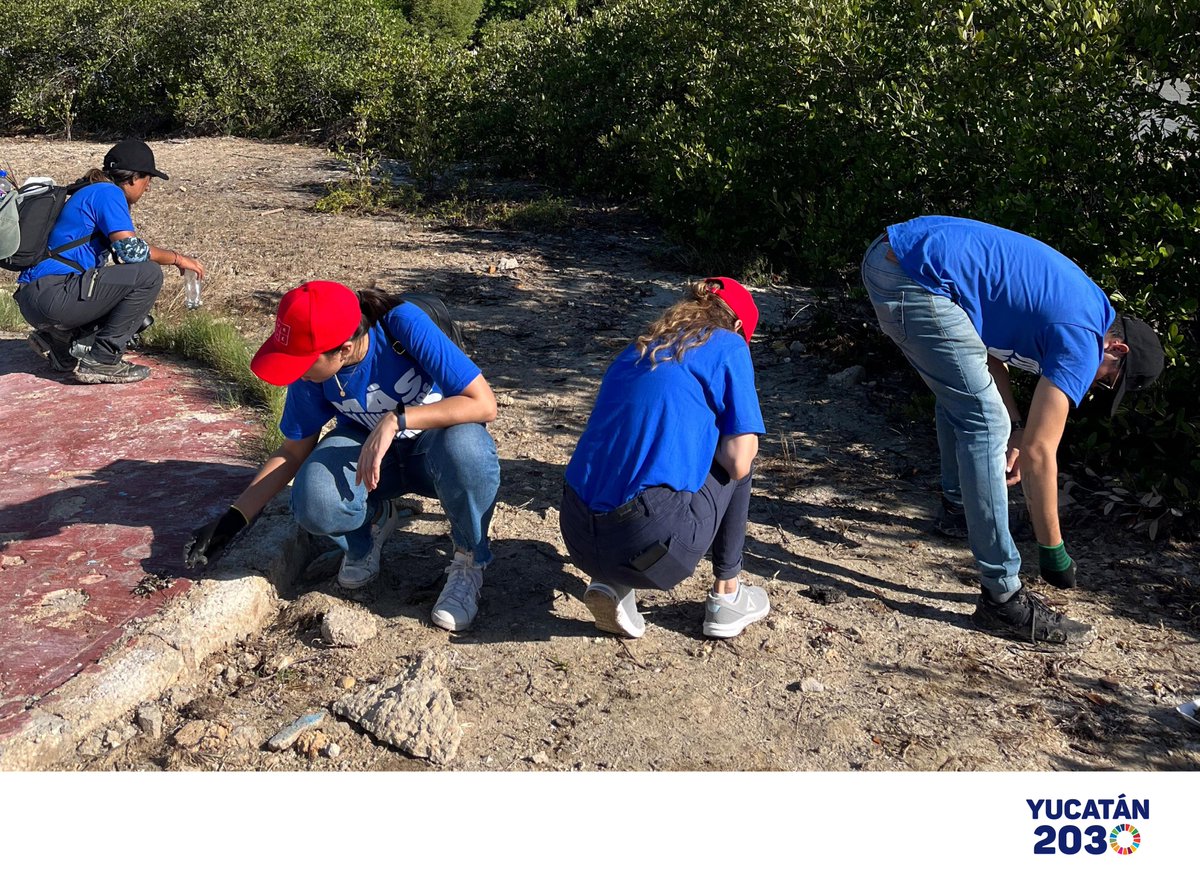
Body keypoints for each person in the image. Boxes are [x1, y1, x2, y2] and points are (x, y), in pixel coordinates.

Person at [861, 216, 1165, 644]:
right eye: (1109, 379)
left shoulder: (1080, 311)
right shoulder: (1084, 336)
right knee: (985, 421)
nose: (1097, 387)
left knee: (972, 403)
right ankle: (1002, 598)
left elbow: (984, 356)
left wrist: (1019, 427)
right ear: (1117, 349)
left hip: (899, 255)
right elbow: (1042, 453)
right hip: (911, 273)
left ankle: (956, 509)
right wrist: (1053, 551)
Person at [184, 280, 500, 632]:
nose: (297, 372)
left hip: (435, 450)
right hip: (370, 460)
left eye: (302, 362)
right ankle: (371, 528)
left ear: (345, 349)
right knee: (315, 499)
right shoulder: (313, 368)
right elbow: (292, 449)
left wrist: (397, 420)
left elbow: (484, 403)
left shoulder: (403, 325)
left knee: (468, 449)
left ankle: (469, 559)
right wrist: (232, 520)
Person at [560, 277, 769, 640]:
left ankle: (612, 583)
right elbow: (738, 460)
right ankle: (727, 595)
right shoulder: (730, 345)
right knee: (743, 457)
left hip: (577, 534)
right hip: (648, 543)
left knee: (631, 459)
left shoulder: (639, 349)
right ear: (737, 326)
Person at [14, 138, 206, 384]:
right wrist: (178, 259)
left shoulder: (89, 191)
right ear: (134, 178)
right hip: (54, 295)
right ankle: (103, 360)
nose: (148, 188)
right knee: (149, 274)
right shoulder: (109, 192)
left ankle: (59, 344)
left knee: (136, 313)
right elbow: (131, 252)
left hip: (35, 299)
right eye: (148, 180)